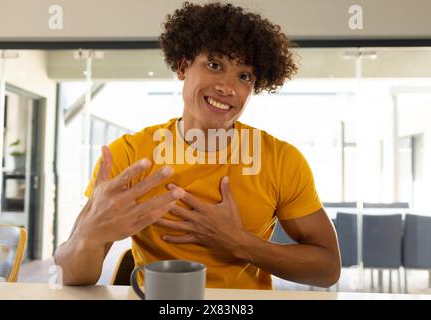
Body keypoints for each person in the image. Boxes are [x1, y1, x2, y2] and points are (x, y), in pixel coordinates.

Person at [54, 1, 341, 289]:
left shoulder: (281, 160)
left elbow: (327, 269)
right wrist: (88, 236)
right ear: (183, 67)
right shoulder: (129, 156)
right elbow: (71, 275)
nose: (227, 87)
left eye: (244, 76)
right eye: (215, 65)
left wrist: (239, 242)